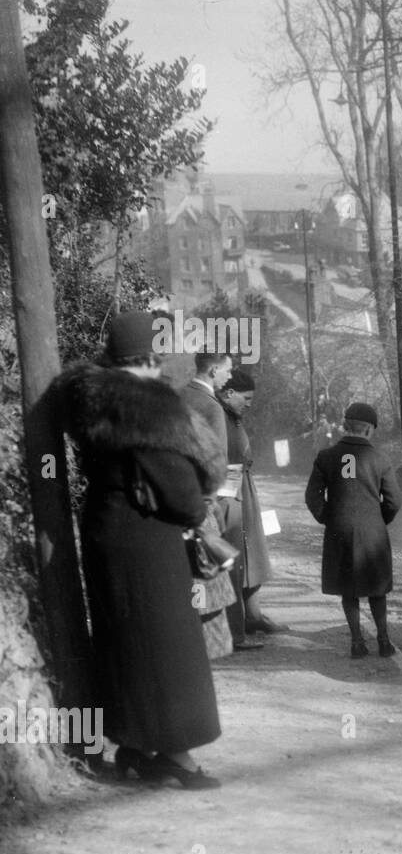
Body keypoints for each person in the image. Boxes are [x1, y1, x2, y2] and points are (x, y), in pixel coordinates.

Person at [54, 311, 225, 790]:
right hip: (148, 538)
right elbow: (182, 495)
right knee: (168, 646)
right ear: (151, 358)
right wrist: (196, 514)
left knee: (127, 639)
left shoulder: (92, 398)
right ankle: (177, 755)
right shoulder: (149, 407)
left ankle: (134, 746)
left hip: (105, 527)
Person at [305, 402, 402, 657]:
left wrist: (330, 517)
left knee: (348, 588)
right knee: (377, 588)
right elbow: (394, 501)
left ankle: (357, 642)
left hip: (339, 530)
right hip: (373, 532)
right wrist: (379, 520)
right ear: (370, 430)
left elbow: (312, 497)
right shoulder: (380, 459)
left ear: (346, 426)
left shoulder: (326, 456)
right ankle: (384, 641)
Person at [180, 351, 260, 651]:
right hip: (213, 499)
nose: (230, 375)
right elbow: (218, 463)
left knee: (194, 569)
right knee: (223, 564)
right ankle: (233, 635)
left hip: (180, 496)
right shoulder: (213, 408)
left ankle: (194, 631)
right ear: (213, 370)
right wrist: (216, 502)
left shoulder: (180, 395)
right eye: (227, 370)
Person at [217, 370, 289, 638]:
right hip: (231, 493)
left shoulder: (234, 418)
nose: (249, 403)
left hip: (244, 490)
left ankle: (254, 616)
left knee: (254, 554)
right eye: (245, 398)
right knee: (239, 555)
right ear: (229, 393)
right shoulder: (220, 417)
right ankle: (239, 622)